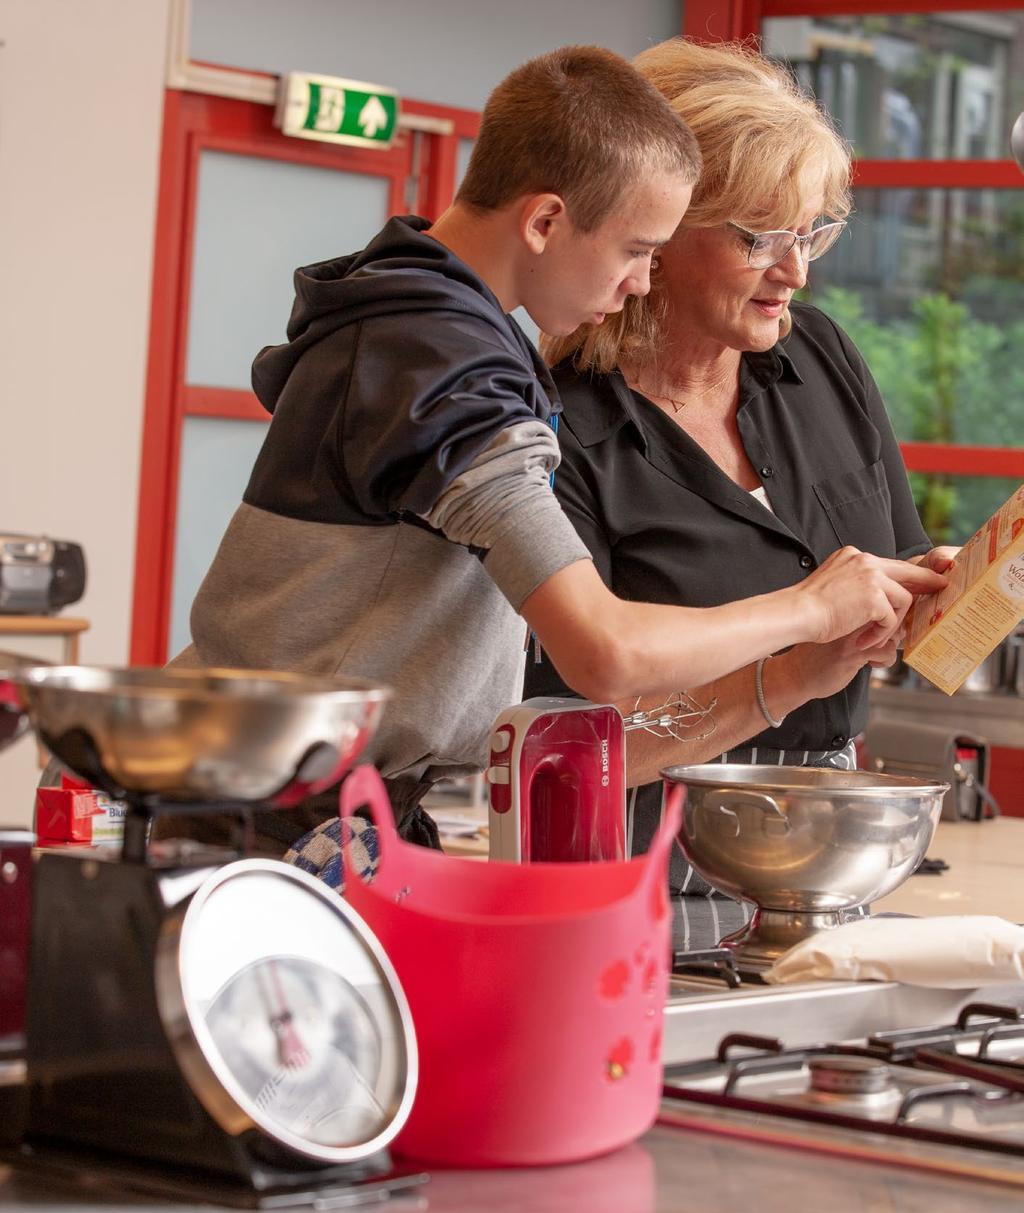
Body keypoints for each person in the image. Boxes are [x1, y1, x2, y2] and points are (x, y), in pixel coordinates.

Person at [165, 44, 944, 858]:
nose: (641, 282)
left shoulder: (420, 323)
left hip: (329, 801)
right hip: (264, 815)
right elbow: (605, 654)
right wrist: (811, 612)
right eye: (639, 249)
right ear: (544, 221)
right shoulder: (445, 373)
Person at [525, 38, 956, 893]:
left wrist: (932, 596)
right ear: (655, 223)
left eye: (812, 231)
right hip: (644, 861)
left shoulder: (822, 356)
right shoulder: (557, 426)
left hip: (833, 842)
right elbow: (567, 748)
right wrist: (793, 668)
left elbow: (888, 576)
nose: (794, 270)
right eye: (761, 235)